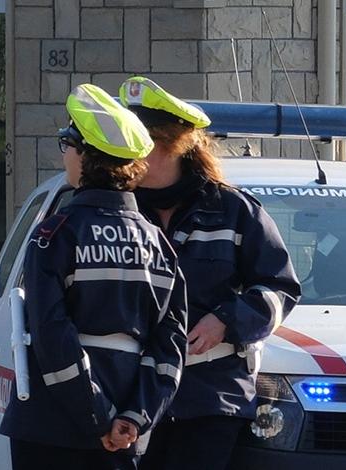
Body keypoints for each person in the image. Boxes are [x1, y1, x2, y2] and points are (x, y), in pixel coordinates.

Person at [0, 83, 188, 470]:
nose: (64, 153)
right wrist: (133, 418)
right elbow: (169, 349)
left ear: (86, 156)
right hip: (123, 438)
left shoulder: (57, 234)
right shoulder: (158, 244)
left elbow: (53, 335)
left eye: (66, 142)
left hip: (54, 429)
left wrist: (96, 416)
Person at [119, 76, 301, 470]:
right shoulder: (114, 210)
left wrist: (225, 320)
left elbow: (279, 289)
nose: (126, 154)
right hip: (123, 394)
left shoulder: (234, 210)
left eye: (137, 142)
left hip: (208, 397)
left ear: (169, 145)